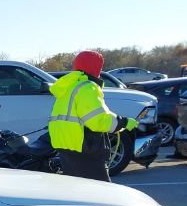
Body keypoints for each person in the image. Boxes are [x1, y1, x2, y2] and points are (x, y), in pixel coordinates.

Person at [48, 50, 137, 182]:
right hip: (85, 150)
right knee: (101, 194)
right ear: (95, 68)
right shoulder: (87, 87)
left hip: (67, 147)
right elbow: (98, 120)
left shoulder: (69, 86)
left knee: (77, 191)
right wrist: (124, 123)